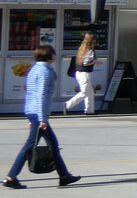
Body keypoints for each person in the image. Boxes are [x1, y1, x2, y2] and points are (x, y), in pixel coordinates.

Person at [4, 45, 81, 189]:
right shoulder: (46, 72)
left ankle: (64, 175)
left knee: (53, 145)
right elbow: (41, 95)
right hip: (39, 114)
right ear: (50, 56)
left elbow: (29, 91)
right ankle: (11, 177)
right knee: (30, 146)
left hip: (32, 111)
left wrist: (32, 116)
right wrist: (42, 119)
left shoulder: (34, 69)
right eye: (54, 54)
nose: (56, 56)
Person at [64, 31, 98, 115]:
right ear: (92, 40)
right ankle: (67, 105)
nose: (96, 41)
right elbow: (86, 63)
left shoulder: (81, 49)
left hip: (79, 73)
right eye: (95, 39)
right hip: (85, 74)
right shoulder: (90, 51)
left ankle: (90, 110)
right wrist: (95, 62)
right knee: (84, 92)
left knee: (90, 92)